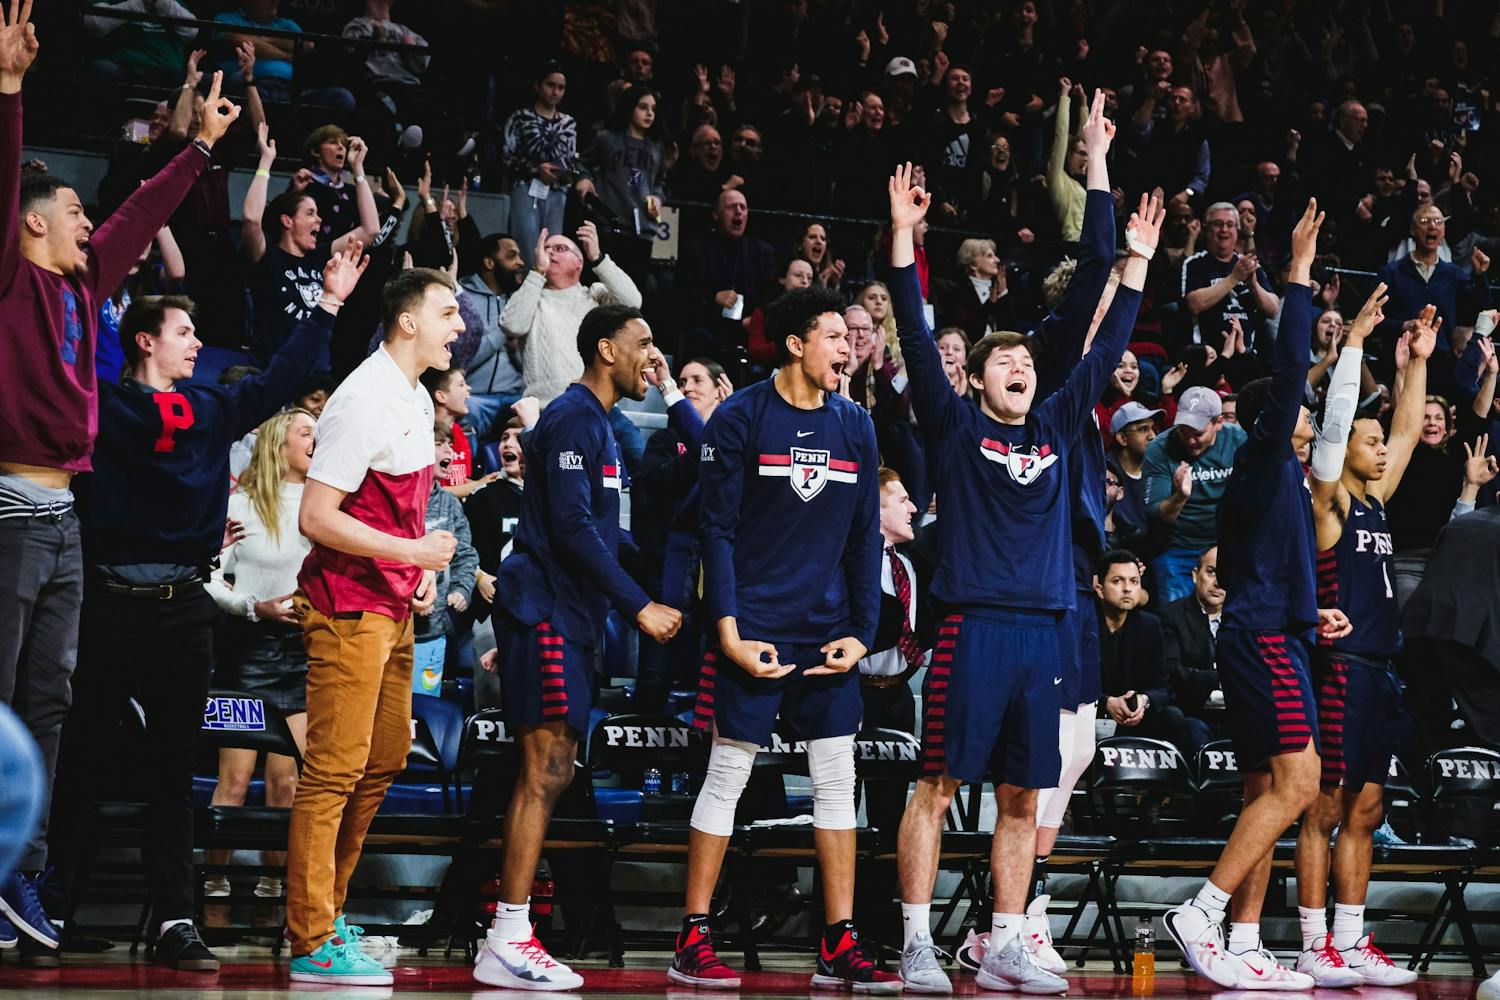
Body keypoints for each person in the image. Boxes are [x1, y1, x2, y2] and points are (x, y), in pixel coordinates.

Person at [888, 158, 1161, 996]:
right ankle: (915, 944)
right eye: (1004, 364)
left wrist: (1134, 257)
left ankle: (1006, 939)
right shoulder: (952, 424)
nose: (1020, 370)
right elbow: (907, 319)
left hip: (1044, 629)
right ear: (975, 379)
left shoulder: (1054, 425)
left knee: (1021, 795)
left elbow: (1103, 335)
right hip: (972, 627)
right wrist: (905, 238)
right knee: (936, 787)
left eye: (1028, 367)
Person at [0, 10, 236, 957]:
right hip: (11, 507)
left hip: (63, 517)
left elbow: (139, 216)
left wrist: (199, 153)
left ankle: (19, 868)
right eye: (70, 216)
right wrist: (10, 94)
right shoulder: (12, 281)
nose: (89, 223)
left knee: (48, 704)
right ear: (30, 224)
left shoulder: (82, 282)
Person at [54, 245, 360, 970]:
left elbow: (283, 377)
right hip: (107, 602)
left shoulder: (216, 405)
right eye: (184, 333)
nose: (198, 342)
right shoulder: (103, 401)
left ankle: (175, 920)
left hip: (183, 610)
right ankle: (54, 907)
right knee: (85, 762)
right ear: (144, 342)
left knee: (169, 770)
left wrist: (329, 305)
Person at [673, 284, 887, 993]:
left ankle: (837, 941)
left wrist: (862, 631)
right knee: (728, 774)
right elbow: (717, 533)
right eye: (834, 337)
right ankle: (693, 934)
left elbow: (864, 539)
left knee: (836, 780)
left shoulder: (856, 424)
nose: (847, 349)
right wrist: (728, 632)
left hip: (826, 630)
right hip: (755, 627)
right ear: (797, 344)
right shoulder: (739, 417)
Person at [1162, 201, 1349, 990]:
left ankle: (1241, 943)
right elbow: (1295, 355)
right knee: (1301, 784)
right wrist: (1299, 276)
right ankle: (1202, 912)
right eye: (1296, 414)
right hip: (1262, 637)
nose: (1304, 424)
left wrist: (1315, 612)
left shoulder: (1276, 480)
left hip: (1276, 627)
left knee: (1265, 792)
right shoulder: (1266, 460)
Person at [476, 304, 681, 990]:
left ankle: (509, 929)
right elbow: (569, 526)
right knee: (543, 769)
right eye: (642, 344)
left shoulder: (598, 426)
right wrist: (639, 604)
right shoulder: (570, 418)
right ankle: (508, 934)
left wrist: (660, 578)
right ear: (604, 350)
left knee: (556, 771)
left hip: (573, 614)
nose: (652, 357)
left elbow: (608, 535)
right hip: (546, 608)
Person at [285, 266, 463, 985]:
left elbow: (396, 508)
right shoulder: (361, 398)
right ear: (408, 322)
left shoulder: (416, 397)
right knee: (332, 772)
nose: (460, 325)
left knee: (385, 756)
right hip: (345, 606)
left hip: (392, 607)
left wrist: (418, 569)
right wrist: (412, 552)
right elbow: (316, 517)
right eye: (449, 313)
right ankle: (311, 937)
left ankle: (327, 910)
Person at [1294, 283, 1433, 986]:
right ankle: (1313, 942)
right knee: (1323, 805)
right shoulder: (1330, 502)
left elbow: (1408, 432)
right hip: (1339, 665)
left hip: (1380, 668)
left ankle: (1351, 941)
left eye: (1379, 444)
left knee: (1369, 808)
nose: (1382, 450)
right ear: (1343, 447)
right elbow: (1345, 426)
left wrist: (1417, 366)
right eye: (1368, 442)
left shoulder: (1375, 500)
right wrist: (1352, 347)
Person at [202, 407, 317, 932]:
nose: (316, 440)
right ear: (279, 444)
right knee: (235, 779)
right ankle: (213, 885)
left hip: (304, 653)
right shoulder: (241, 505)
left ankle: (276, 891)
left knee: (287, 782)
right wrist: (252, 607)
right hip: (250, 652)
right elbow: (207, 575)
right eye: (306, 432)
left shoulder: (324, 506)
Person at [630, 358, 731, 713]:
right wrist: (708, 450)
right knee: (654, 677)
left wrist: (718, 439)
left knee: (708, 681)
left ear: (721, 388)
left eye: (697, 379)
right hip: (667, 577)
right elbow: (655, 485)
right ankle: (638, 761)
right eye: (683, 381)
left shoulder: (737, 438)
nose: (688, 387)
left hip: (718, 577)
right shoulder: (664, 439)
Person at [242, 122, 380, 367]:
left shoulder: (319, 257)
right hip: (272, 371)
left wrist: (358, 170)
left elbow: (370, 230)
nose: (319, 219)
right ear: (287, 221)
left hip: (317, 375)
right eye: (310, 213)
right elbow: (253, 219)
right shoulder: (267, 256)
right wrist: (265, 162)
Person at [500, 221, 642, 405]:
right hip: (547, 406)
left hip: (598, 405)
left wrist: (598, 258)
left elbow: (632, 302)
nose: (550, 252)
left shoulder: (595, 294)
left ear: (579, 262)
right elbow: (511, 325)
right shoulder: (531, 295)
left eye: (560, 248)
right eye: (546, 248)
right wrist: (537, 271)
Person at [1096, 551, 1210, 758]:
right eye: (1117, 581)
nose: (1127, 588)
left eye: (1134, 581)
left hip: (1135, 717)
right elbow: (1071, 684)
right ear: (1099, 588)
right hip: (1091, 712)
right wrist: (1106, 702)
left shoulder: (1150, 625)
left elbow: (1163, 686)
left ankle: (1170, 790)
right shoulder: (1083, 627)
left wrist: (1143, 700)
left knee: (1175, 719)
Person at [1143, 386, 1247, 603]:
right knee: (1176, 620)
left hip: (1228, 545)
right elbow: (1157, 514)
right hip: (1178, 547)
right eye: (1184, 432)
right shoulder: (1160, 448)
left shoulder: (1239, 440)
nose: (1190, 441)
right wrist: (1180, 495)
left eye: (1198, 434)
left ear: (1218, 422)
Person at [1376, 204, 1491, 352]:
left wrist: (1480, 275)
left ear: (1443, 232)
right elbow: (1374, 321)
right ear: (1412, 230)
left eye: (1438, 222)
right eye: (1424, 221)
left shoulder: (1455, 275)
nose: (1432, 226)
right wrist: (1403, 326)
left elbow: (1477, 311)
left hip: (1441, 362)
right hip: (1398, 358)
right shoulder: (1390, 273)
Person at [503, 64, 582, 269]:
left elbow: (571, 159)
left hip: (556, 191)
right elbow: (507, 156)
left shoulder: (568, 123)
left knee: (553, 246)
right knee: (525, 244)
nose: (555, 91)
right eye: (550, 85)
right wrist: (535, 169)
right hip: (525, 186)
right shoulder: (520, 118)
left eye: (561, 87)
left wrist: (560, 172)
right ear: (538, 86)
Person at [214, 0, 354, 109]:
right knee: (238, 81)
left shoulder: (286, 24)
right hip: (249, 85)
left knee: (342, 97)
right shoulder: (226, 18)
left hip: (288, 90)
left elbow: (307, 45)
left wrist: (261, 38)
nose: (275, 1)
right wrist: (286, 55)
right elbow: (246, 43)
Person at [1181, 201, 1279, 350]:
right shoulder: (1194, 264)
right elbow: (1194, 304)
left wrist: (1254, 286)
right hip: (1208, 354)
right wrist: (1234, 278)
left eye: (1230, 224)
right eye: (1218, 224)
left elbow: (1273, 310)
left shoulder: (1249, 265)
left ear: (1237, 231)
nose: (1224, 229)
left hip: (1246, 355)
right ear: (1207, 229)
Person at [459, 232, 527, 428]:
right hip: (475, 397)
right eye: (511, 256)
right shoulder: (464, 300)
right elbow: (463, 360)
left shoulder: (519, 301)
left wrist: (515, 351)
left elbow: (529, 367)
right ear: (489, 262)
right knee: (466, 411)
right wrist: (504, 331)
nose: (520, 262)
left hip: (514, 396)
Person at [1160, 547, 1224, 718]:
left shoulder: (1244, 622)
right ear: (1196, 575)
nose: (1218, 583)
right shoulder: (1170, 616)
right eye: (1211, 572)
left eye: (1227, 575)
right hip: (1192, 711)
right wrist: (1222, 679)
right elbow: (1172, 672)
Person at [1110, 402, 1164, 537]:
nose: (1153, 436)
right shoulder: (1105, 474)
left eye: (1153, 429)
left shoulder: (1159, 469)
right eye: (1143, 429)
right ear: (1122, 438)